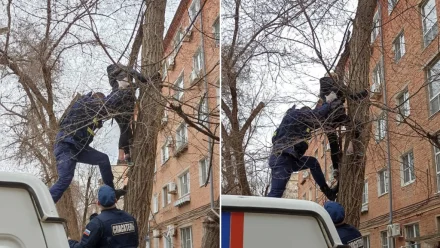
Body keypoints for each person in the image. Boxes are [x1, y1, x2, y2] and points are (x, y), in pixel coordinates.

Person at [49, 92, 126, 203]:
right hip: (66, 145)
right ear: (97, 100)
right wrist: (120, 91)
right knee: (65, 179)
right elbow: (106, 105)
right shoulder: (85, 102)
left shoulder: (93, 113)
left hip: (78, 147)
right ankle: (45, 203)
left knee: (103, 159)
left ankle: (112, 192)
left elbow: (106, 111)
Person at [267, 99, 344, 200]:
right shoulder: (299, 115)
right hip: (283, 158)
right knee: (275, 194)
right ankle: (259, 213)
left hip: (290, 159)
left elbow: (274, 139)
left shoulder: (293, 122)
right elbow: (318, 115)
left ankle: (328, 192)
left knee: (313, 163)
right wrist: (328, 102)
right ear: (305, 112)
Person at [104, 63, 161, 165]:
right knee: (125, 129)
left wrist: (134, 86)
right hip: (125, 103)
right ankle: (122, 157)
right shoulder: (126, 69)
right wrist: (153, 78)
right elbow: (142, 78)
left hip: (114, 103)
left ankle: (127, 156)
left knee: (125, 129)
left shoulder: (112, 78)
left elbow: (121, 86)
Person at [318, 72, 369, 179]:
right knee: (357, 126)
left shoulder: (322, 89)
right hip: (338, 115)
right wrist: (365, 93)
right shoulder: (338, 84)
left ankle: (336, 168)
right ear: (335, 78)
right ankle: (351, 147)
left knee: (333, 144)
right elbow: (353, 97)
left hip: (326, 120)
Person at [68, 185, 139, 248]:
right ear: (115, 200)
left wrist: (70, 242)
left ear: (98, 203)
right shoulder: (130, 219)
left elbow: (83, 246)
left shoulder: (96, 223)